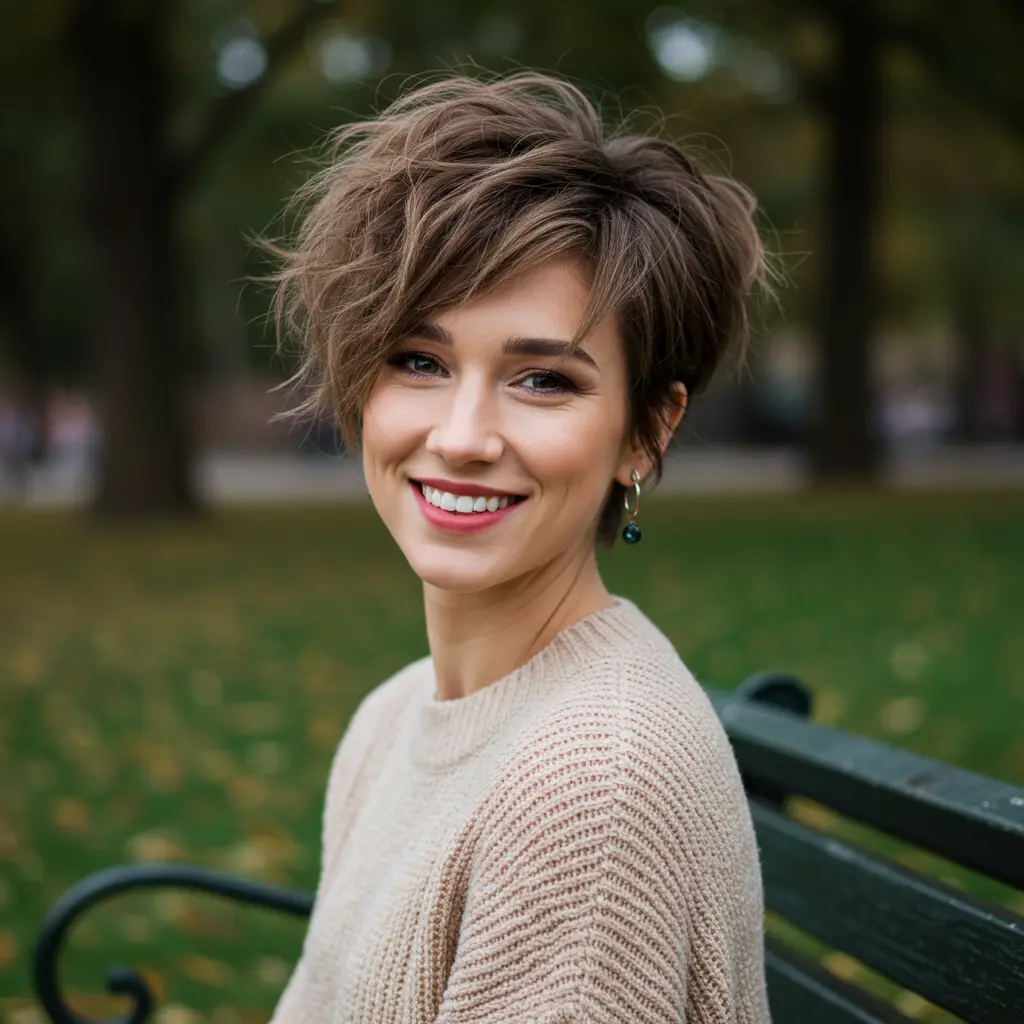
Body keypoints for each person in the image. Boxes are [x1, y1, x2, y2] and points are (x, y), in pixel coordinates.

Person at [265, 71, 772, 1024]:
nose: (461, 435)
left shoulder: (589, 792)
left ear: (645, 432)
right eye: (419, 361)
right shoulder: (395, 716)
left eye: (542, 380)